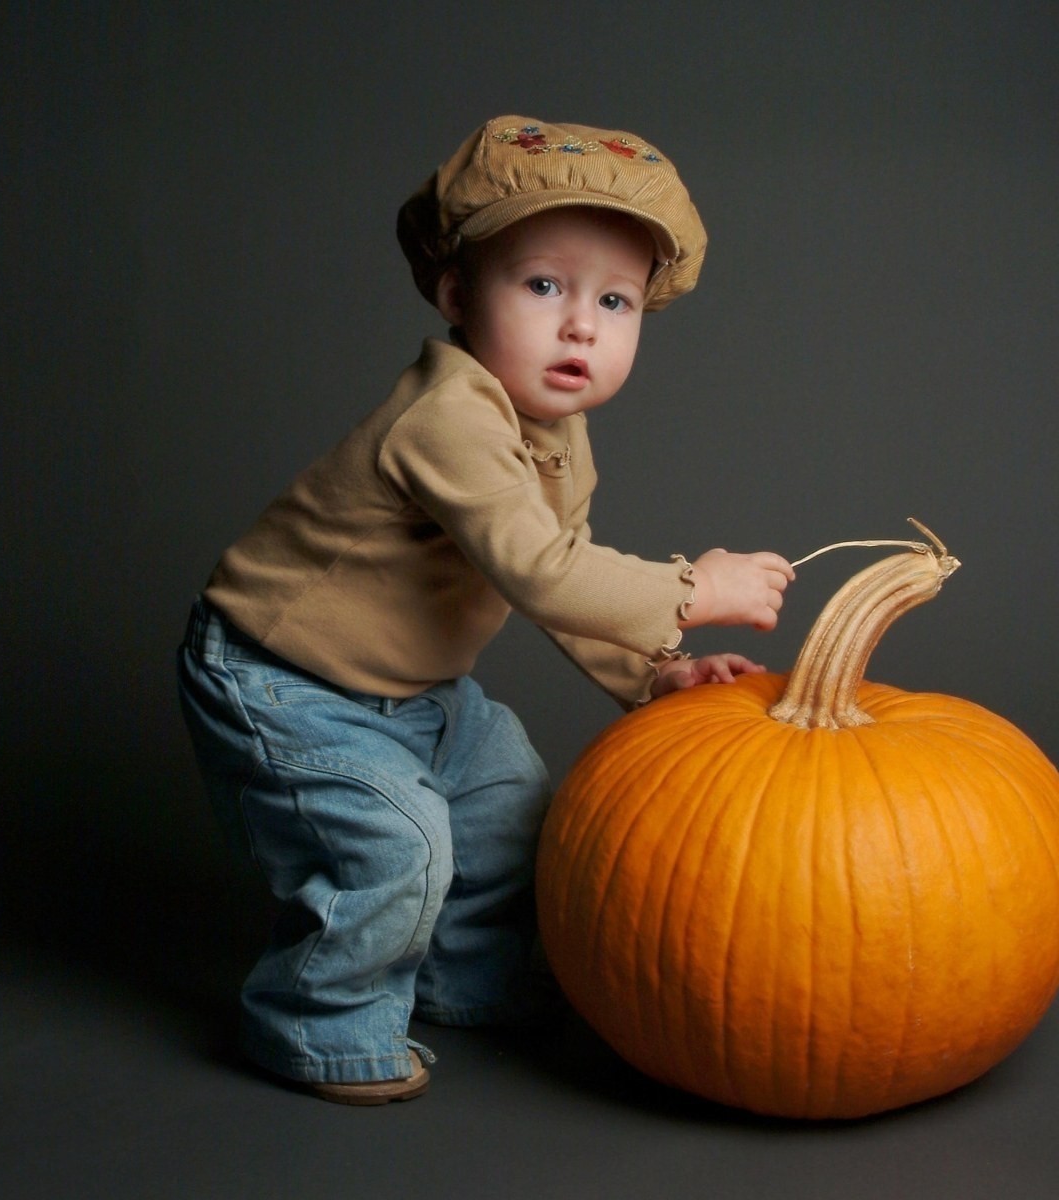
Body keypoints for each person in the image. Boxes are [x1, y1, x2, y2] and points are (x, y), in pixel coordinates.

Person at [178, 116, 796, 1104]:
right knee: (397, 843)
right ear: (459, 294)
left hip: (415, 690)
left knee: (511, 810)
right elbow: (545, 571)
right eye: (544, 286)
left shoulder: (557, 431)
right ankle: (316, 1021)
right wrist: (694, 588)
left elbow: (564, 578)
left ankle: (470, 979)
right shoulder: (448, 417)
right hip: (284, 680)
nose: (581, 325)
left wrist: (653, 670)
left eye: (615, 300)